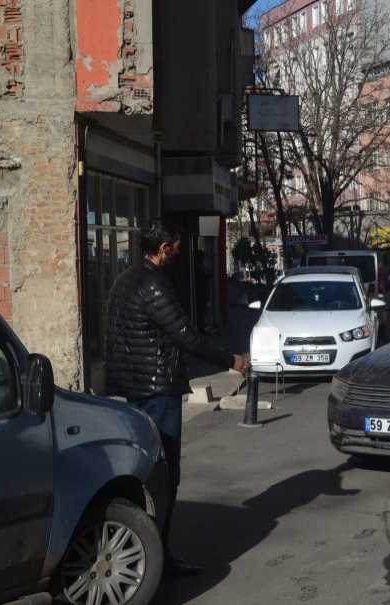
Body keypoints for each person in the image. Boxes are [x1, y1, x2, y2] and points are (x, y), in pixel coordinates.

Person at [105, 222, 247, 577]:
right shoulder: (154, 285)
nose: (179, 252)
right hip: (158, 390)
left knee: (146, 471)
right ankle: (159, 557)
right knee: (166, 476)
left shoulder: (124, 280)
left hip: (134, 389)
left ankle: (144, 551)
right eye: (176, 247)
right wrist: (231, 361)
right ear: (164, 248)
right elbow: (187, 337)